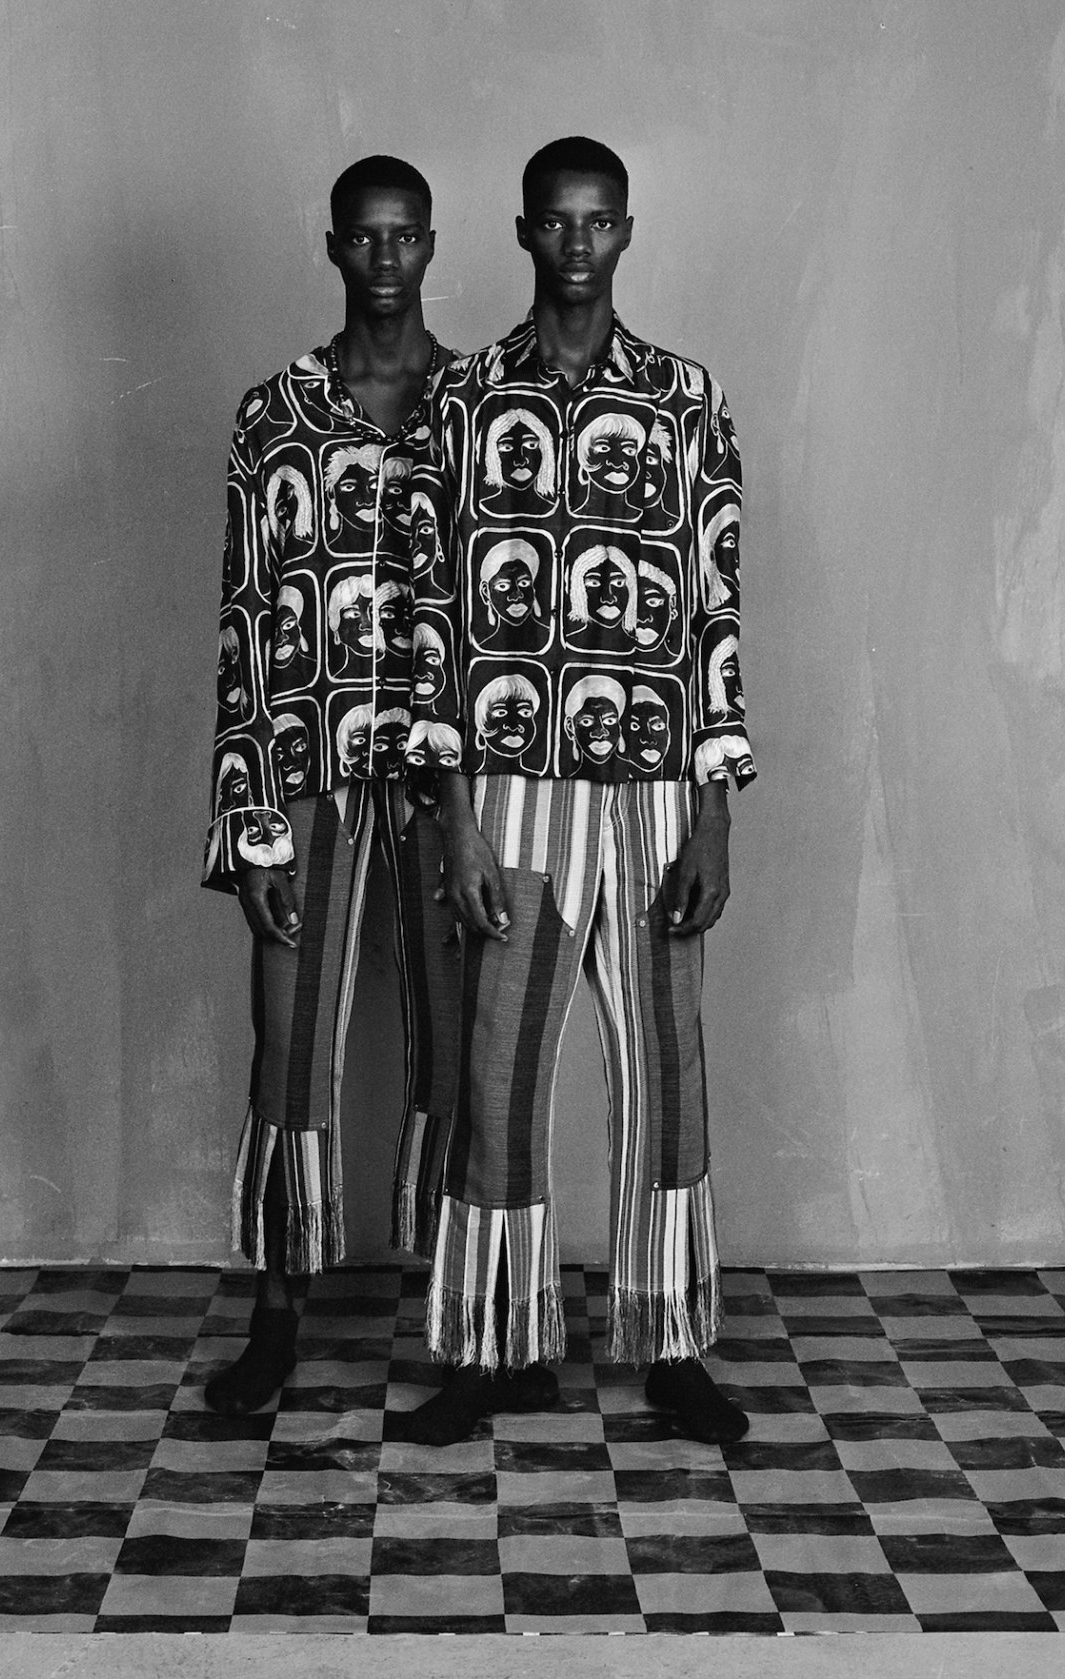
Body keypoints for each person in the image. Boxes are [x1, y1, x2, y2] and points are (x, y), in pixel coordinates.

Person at [402, 135, 756, 1447]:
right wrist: (449, 811)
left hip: (658, 785)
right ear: (522, 231)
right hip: (513, 782)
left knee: (667, 1065)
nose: (575, 243)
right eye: (554, 221)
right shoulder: (466, 403)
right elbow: (428, 618)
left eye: (596, 221)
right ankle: (495, 1348)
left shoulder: (681, 398)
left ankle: (670, 1343)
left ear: (623, 231)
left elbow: (716, 610)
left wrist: (714, 803)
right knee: (498, 1069)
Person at [202, 155, 462, 1417]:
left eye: (404, 237)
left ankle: (467, 1318)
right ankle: (276, 1318)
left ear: (432, 246)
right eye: (364, 239)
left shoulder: (476, 405)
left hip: (447, 776)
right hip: (308, 769)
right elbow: (246, 622)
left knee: (459, 1040)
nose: (385, 259)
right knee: (290, 1043)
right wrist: (248, 824)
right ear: (333, 248)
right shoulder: (277, 415)